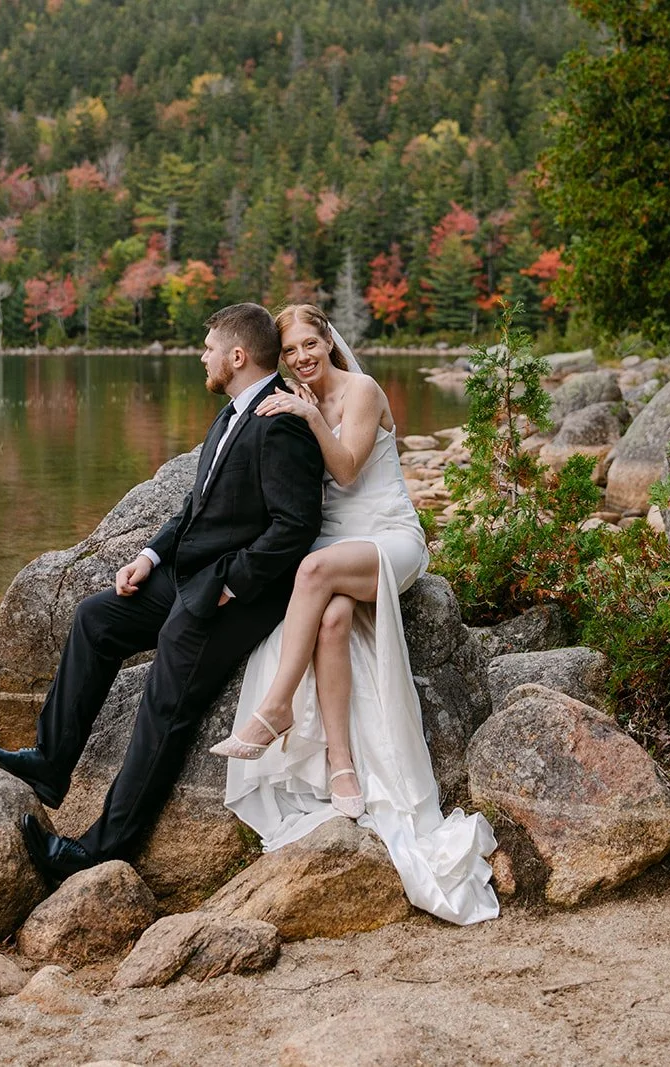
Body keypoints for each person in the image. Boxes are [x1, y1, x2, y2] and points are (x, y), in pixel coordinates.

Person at [0, 303, 325, 882]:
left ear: (236, 357)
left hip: (232, 594)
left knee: (165, 704)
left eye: (208, 348)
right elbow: (195, 506)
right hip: (184, 576)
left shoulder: (279, 420)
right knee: (96, 618)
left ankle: (102, 848)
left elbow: (295, 526)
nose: (201, 356)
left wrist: (230, 586)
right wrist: (149, 555)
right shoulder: (234, 410)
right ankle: (50, 763)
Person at [209, 303, 499, 926]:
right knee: (332, 622)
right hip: (336, 549)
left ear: (330, 342)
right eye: (289, 353)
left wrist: (309, 415)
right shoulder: (288, 400)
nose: (302, 358)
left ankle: (277, 708)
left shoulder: (360, 390)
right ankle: (343, 768)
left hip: (387, 540)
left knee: (312, 575)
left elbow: (345, 470)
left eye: (310, 344)